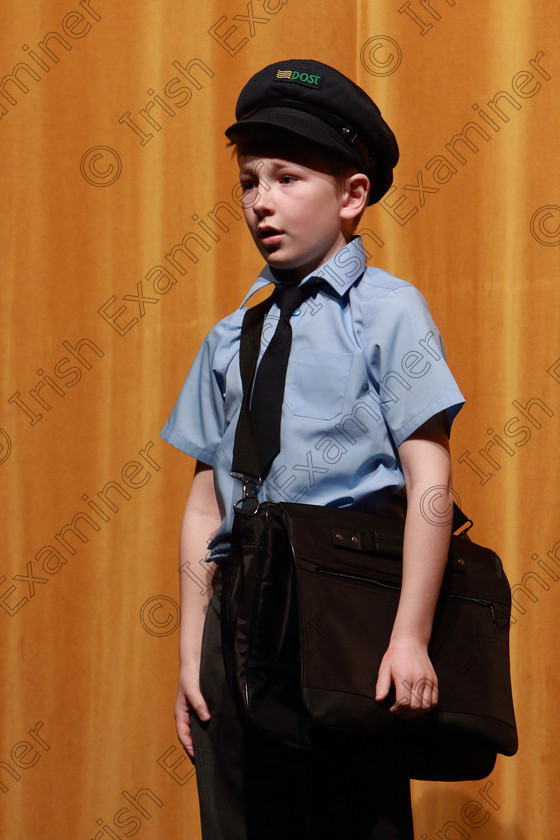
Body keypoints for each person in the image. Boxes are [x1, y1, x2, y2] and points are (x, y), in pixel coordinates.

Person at [161, 59, 465, 840]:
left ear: (352, 195)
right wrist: (194, 649)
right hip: (238, 616)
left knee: (349, 818)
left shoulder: (390, 312)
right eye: (250, 180)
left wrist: (410, 636)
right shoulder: (230, 337)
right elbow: (204, 501)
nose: (261, 200)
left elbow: (429, 472)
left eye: (289, 177)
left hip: (343, 613)